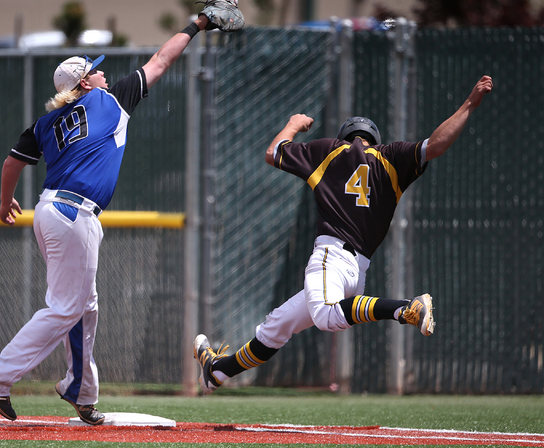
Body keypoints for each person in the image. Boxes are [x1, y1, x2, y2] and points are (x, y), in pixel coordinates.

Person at [0, 14, 211, 424]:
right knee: (66, 308)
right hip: (73, 214)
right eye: (95, 70)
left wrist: (4, 201)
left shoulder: (45, 123)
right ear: (84, 83)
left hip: (51, 211)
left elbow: (12, 161)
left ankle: (79, 389)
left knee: (85, 307)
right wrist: (198, 23)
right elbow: (161, 59)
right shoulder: (111, 99)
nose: (103, 73)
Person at [194, 75, 494, 394]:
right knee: (276, 325)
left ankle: (405, 307)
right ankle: (217, 372)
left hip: (329, 258)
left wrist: (294, 123)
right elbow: (436, 145)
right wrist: (469, 103)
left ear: (346, 137)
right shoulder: (390, 158)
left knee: (324, 317)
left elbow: (274, 152)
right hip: (357, 272)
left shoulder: (330, 151)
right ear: (373, 139)